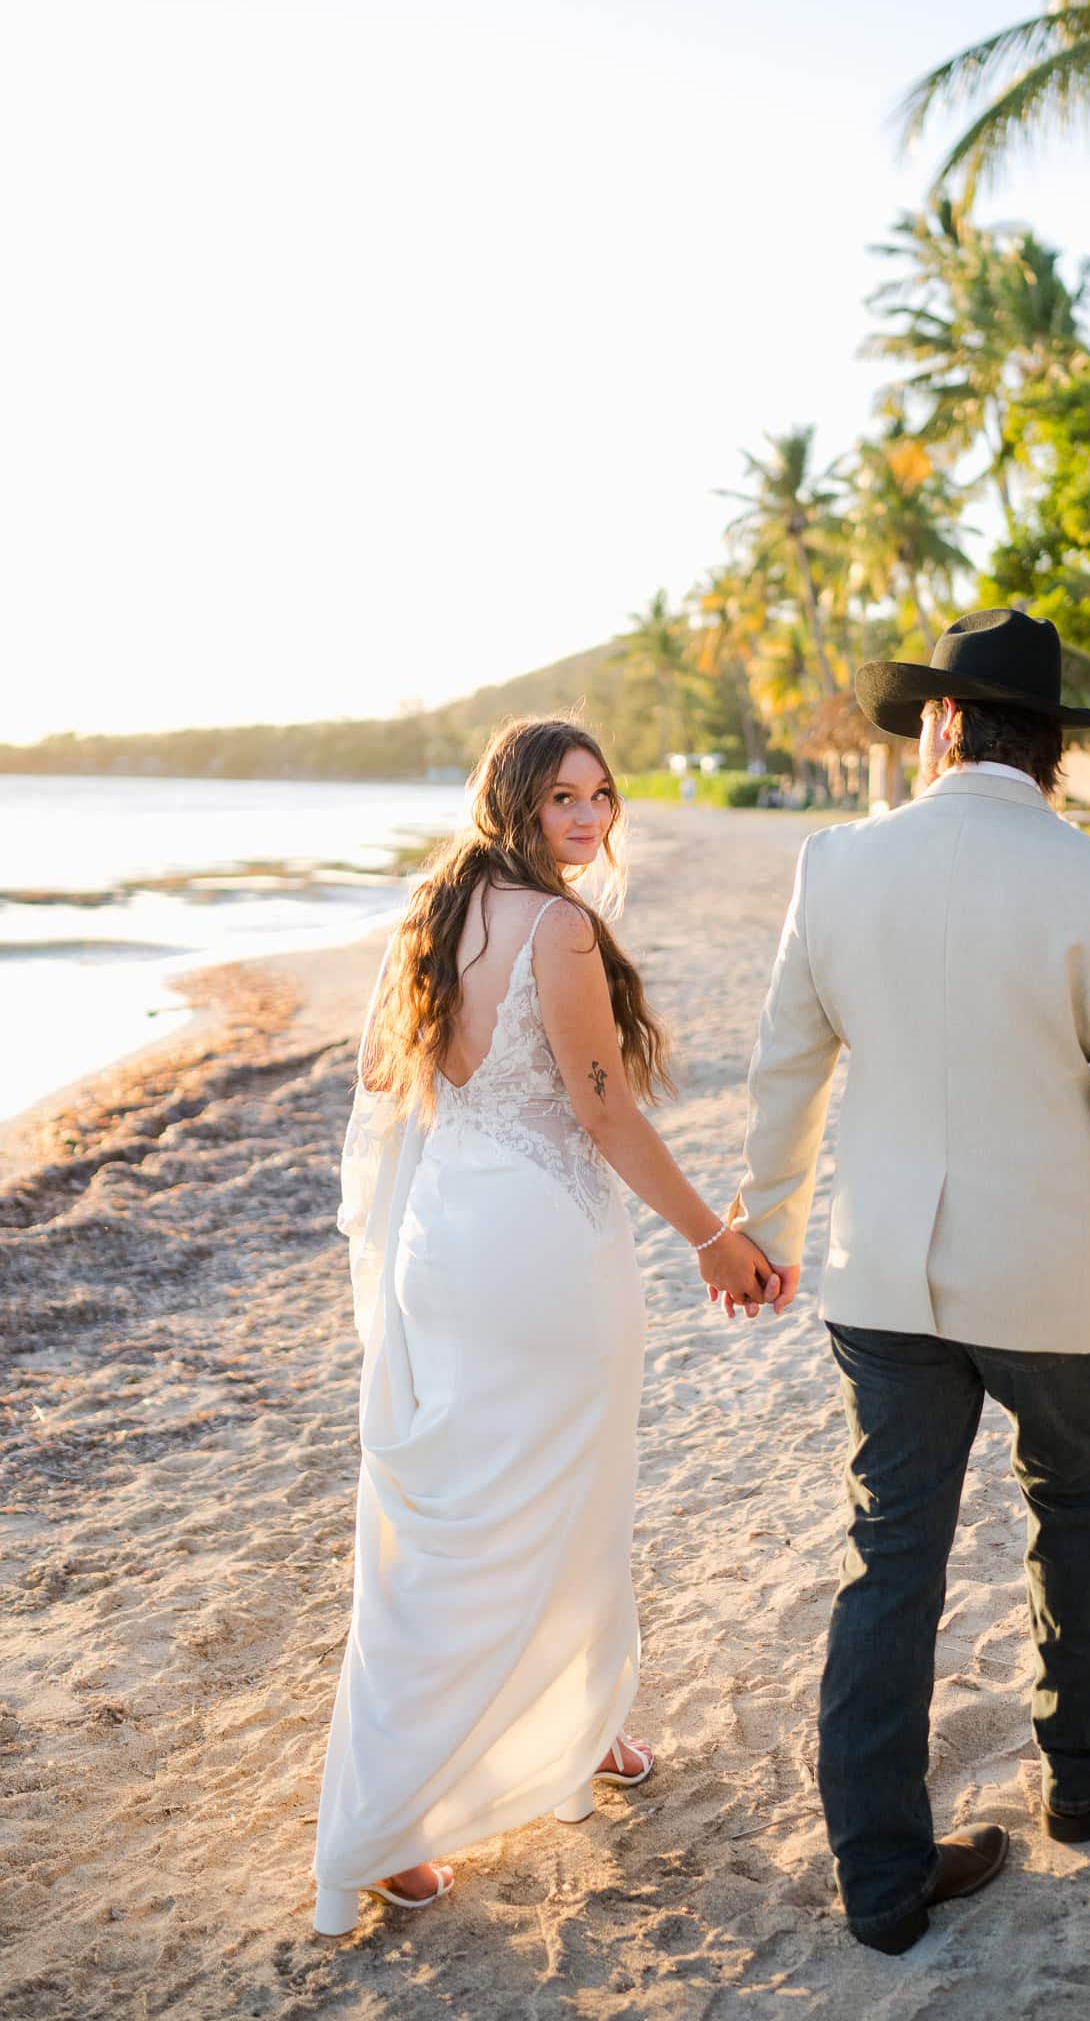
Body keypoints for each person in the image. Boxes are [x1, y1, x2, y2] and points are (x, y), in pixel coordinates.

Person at [727, 608, 1090, 1957]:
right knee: (1078, 1500)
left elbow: (786, 1072)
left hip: (883, 1281)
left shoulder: (835, 863)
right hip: (1054, 1279)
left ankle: (880, 1875)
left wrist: (766, 1227)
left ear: (940, 723)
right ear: (1051, 752)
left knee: (892, 1558)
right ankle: (1087, 1767)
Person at [312, 716, 778, 1936]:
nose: (589, 819)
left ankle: (580, 1727)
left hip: (443, 1241)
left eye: (601, 797)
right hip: (539, 1256)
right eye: (563, 797)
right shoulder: (559, 926)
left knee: (486, 1505)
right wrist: (710, 1237)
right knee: (541, 1502)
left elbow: (383, 1082)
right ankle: (388, 1821)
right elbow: (605, 1112)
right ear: (513, 802)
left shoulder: (432, 907)